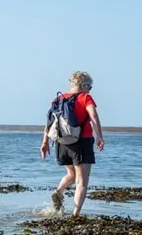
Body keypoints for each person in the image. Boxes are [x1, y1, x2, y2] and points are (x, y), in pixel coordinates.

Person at [40, 71, 105, 217]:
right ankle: (75, 216)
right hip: (81, 142)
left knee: (72, 173)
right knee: (81, 182)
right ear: (83, 85)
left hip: (61, 143)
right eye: (90, 86)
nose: (90, 89)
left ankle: (58, 191)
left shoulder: (58, 98)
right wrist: (99, 136)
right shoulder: (85, 97)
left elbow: (49, 123)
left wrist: (44, 143)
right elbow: (93, 117)